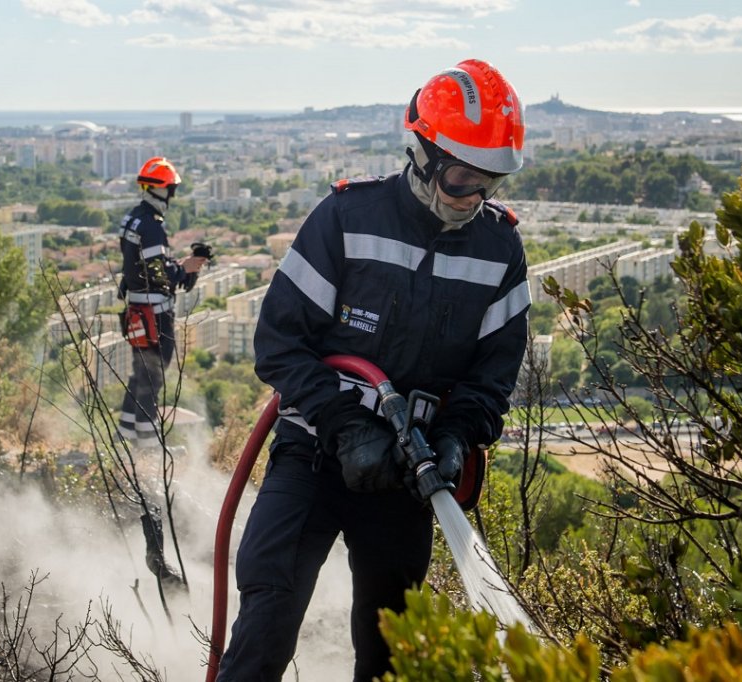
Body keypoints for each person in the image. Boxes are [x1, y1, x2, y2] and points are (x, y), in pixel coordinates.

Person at [217, 59, 530, 681]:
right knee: (268, 616)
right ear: (424, 154)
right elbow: (279, 342)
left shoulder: (500, 250)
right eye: (462, 177)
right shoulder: (347, 217)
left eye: (489, 182)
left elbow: (492, 377)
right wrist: (343, 425)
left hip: (407, 477)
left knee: (391, 652)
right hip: (313, 454)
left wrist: (455, 436)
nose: (474, 197)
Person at [116, 157, 206, 449]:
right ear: (161, 189)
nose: (172, 195)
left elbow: (141, 265)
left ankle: (125, 437)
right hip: (155, 313)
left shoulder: (132, 219)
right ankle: (149, 445)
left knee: (140, 374)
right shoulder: (152, 226)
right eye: (171, 189)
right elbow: (158, 273)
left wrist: (178, 267)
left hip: (137, 310)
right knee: (153, 377)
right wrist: (184, 269)